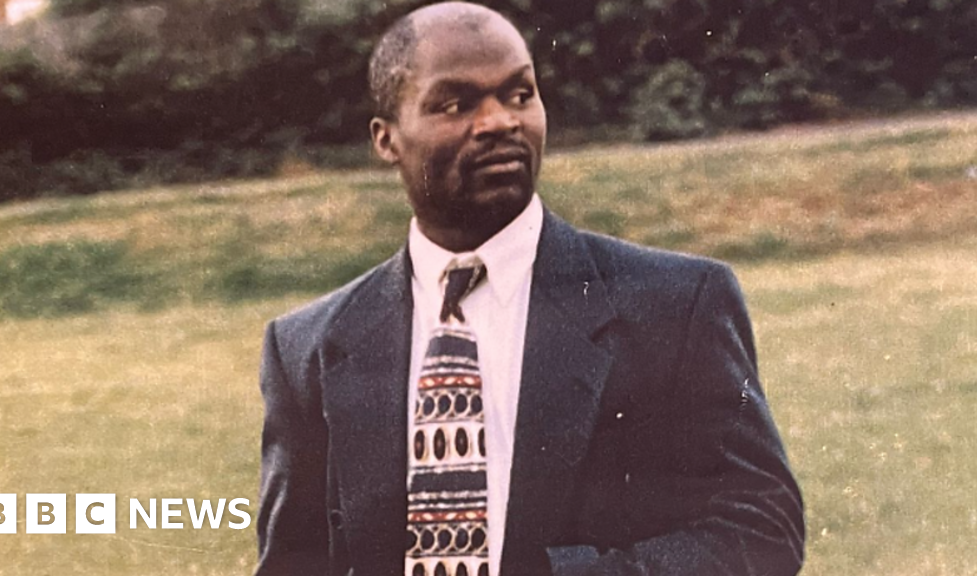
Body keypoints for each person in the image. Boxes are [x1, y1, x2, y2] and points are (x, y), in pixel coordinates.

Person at [254, 3, 805, 575]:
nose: (498, 121)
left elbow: (762, 530)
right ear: (386, 138)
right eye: (455, 104)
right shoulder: (306, 348)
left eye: (519, 94)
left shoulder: (674, 304)